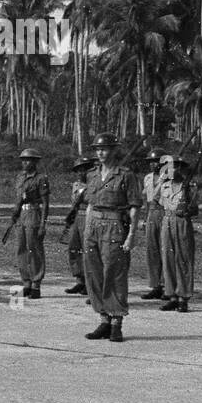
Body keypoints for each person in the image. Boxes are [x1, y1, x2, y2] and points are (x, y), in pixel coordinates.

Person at [83, 132, 142, 342]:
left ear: (115, 150)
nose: (100, 152)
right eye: (98, 149)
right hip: (93, 227)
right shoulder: (91, 174)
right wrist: (86, 230)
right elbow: (90, 204)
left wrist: (132, 235)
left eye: (105, 148)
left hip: (115, 226)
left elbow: (134, 207)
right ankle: (104, 320)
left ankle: (117, 323)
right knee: (94, 273)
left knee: (115, 274)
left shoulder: (126, 175)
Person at [158, 155, 199, 313]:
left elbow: (195, 209)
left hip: (182, 222)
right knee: (167, 260)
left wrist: (187, 208)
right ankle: (172, 296)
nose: (171, 171)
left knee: (183, 259)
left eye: (174, 167)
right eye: (168, 168)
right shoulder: (165, 186)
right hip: (167, 221)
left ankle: (183, 298)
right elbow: (161, 203)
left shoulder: (189, 187)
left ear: (181, 169)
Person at [10, 148, 50, 298]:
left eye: (28, 160)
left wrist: (43, 225)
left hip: (34, 213)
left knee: (34, 249)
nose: (25, 163)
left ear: (35, 162)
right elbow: (18, 197)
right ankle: (26, 282)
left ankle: (36, 284)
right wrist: (15, 212)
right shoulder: (20, 177)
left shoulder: (41, 179)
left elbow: (45, 203)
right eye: (23, 160)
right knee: (21, 248)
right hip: (21, 214)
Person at [61, 155, 95, 294]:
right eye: (79, 170)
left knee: (88, 250)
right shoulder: (76, 185)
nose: (82, 173)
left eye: (85, 169)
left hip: (89, 217)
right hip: (76, 217)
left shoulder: (95, 184)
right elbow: (74, 202)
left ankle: (89, 282)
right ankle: (79, 280)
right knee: (73, 249)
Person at [139, 148, 166, 300]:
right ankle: (155, 285)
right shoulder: (148, 178)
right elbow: (146, 200)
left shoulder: (169, 176)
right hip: (151, 214)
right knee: (152, 251)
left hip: (164, 213)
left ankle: (167, 286)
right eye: (150, 162)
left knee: (165, 250)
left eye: (155, 161)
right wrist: (145, 218)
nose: (152, 164)